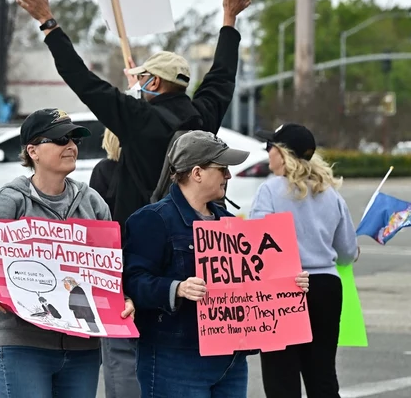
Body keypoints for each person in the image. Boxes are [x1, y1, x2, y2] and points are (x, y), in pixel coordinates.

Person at [15, 0, 253, 397]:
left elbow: (83, 82)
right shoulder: (203, 117)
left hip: (140, 242)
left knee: (127, 351)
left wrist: (48, 24)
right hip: (193, 245)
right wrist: (229, 22)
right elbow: (222, 76)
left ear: (156, 84)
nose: (137, 83)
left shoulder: (137, 118)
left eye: (143, 78)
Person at [0, 108, 135, 398]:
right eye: (59, 139)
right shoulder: (7, 201)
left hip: (83, 347)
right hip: (22, 345)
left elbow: (112, 270)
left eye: (73, 139)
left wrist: (124, 297)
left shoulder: (93, 203)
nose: (71, 146)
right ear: (33, 151)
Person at [122, 130, 310, 398]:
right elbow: (133, 281)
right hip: (175, 359)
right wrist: (177, 288)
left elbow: (252, 281)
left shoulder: (230, 222)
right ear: (197, 173)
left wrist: (289, 283)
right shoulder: (153, 219)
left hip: (231, 360)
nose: (229, 176)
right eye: (222, 169)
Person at [249, 123, 359, 398]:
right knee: (322, 375)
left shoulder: (270, 190)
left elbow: (257, 246)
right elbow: (347, 252)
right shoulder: (330, 192)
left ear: (282, 153)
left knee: (281, 378)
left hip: (283, 289)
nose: (267, 153)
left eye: (269, 147)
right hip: (326, 288)